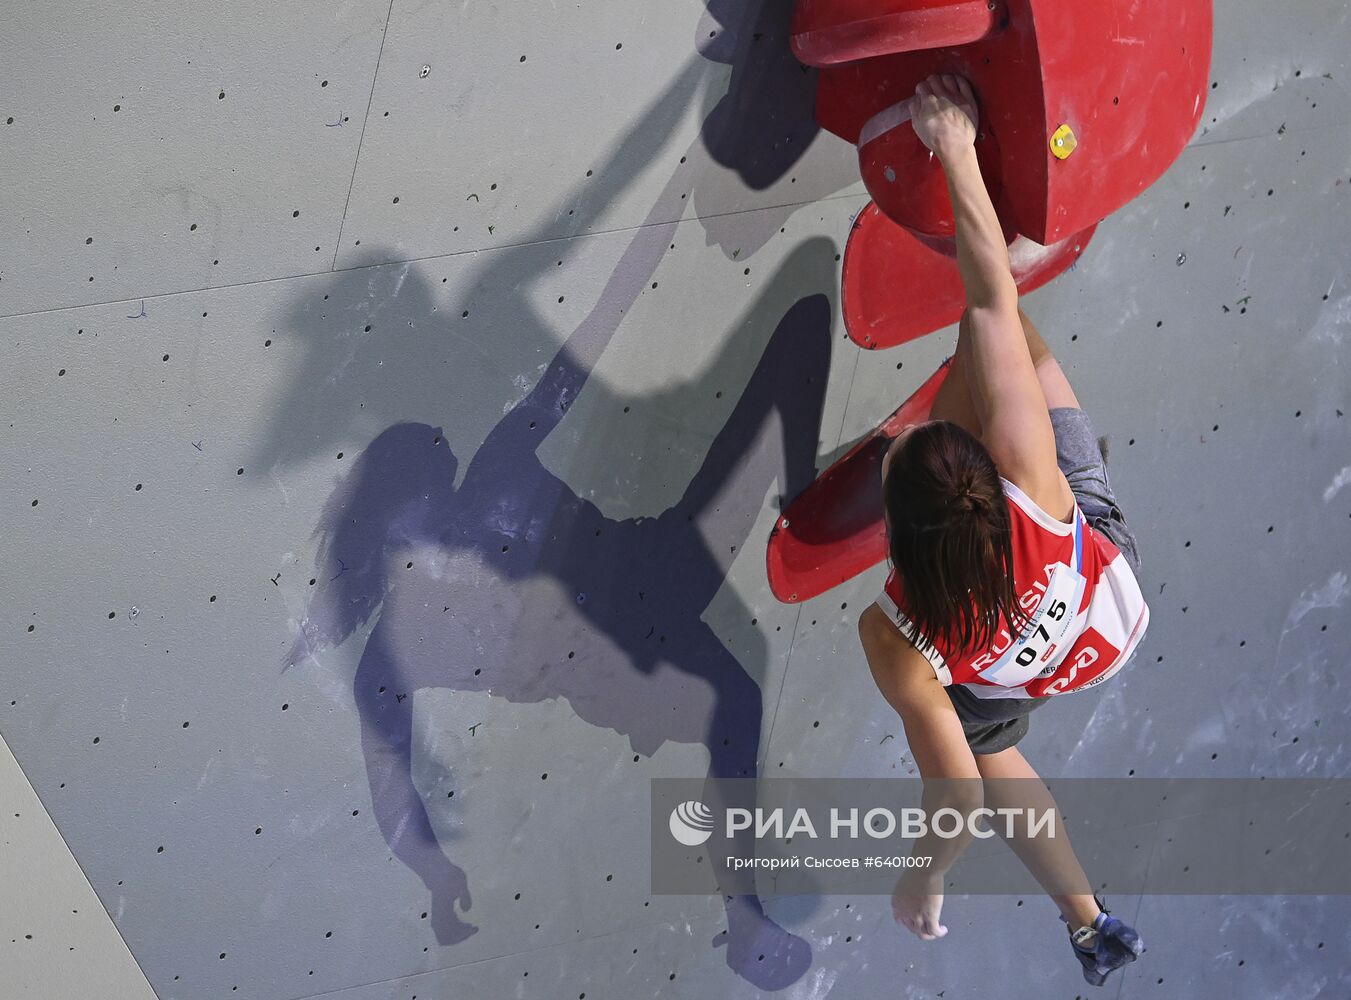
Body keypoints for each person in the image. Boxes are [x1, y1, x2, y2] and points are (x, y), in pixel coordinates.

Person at [856, 74, 1149, 987]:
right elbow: (990, 300)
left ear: (895, 538)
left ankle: (1087, 918)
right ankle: (1087, 924)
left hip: (1089, 628)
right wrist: (957, 147)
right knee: (1005, 337)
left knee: (988, 746)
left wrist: (923, 882)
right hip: (1091, 619)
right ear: (985, 471)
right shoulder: (1026, 478)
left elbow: (958, 798)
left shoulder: (898, 638)